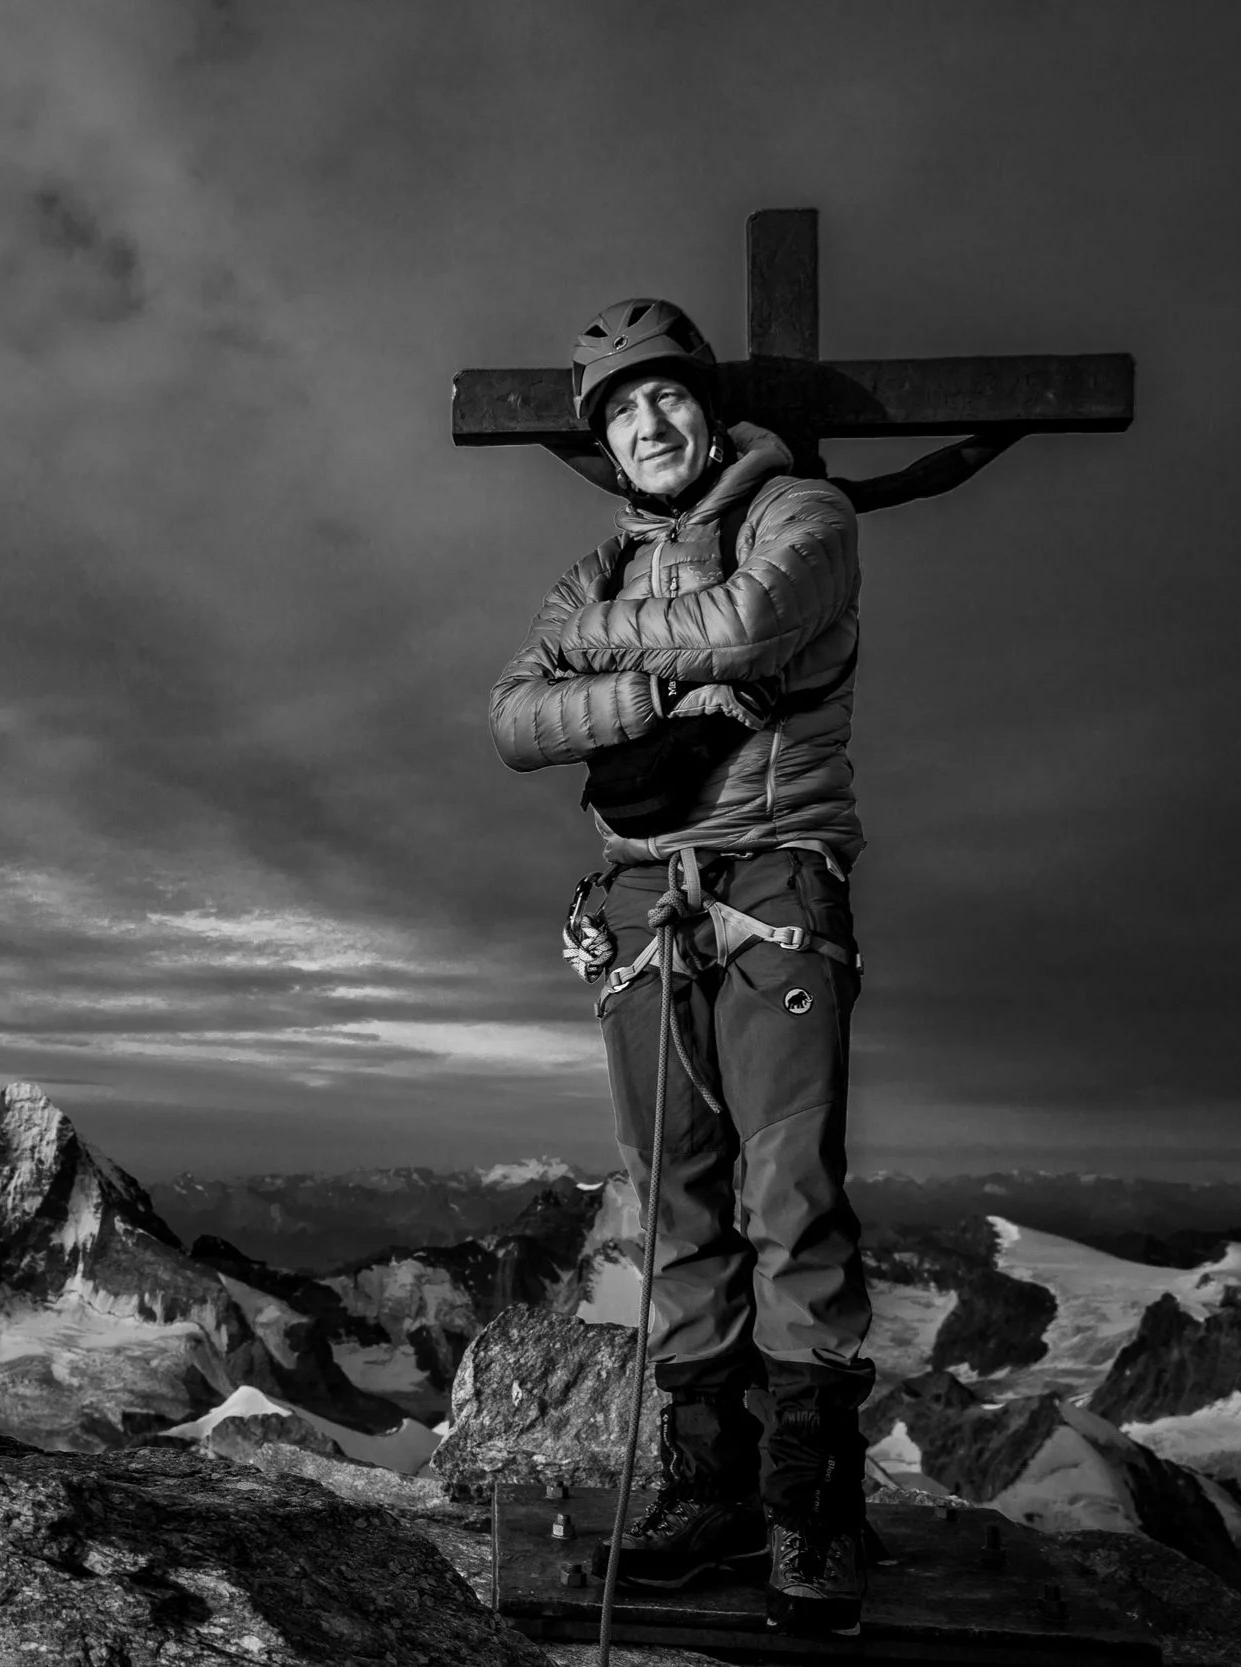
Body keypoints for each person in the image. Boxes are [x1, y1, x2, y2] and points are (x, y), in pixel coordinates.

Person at [487, 297, 874, 1633]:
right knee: (676, 1208)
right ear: (602, 440)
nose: (645, 424)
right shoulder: (596, 574)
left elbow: (756, 626)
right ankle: (709, 1493)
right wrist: (658, 692)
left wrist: (602, 652)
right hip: (642, 904)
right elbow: (511, 716)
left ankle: (809, 1516)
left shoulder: (805, 515)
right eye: (617, 410)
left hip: (773, 882)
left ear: (703, 401)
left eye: (662, 395)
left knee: (790, 1192)